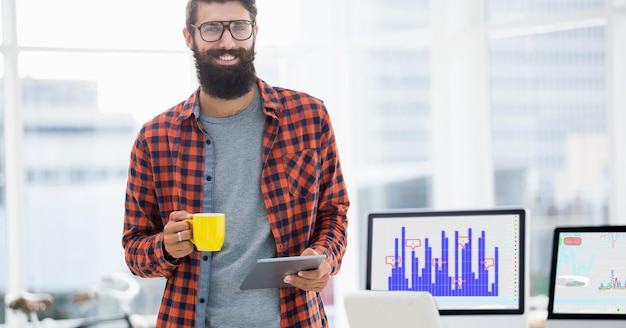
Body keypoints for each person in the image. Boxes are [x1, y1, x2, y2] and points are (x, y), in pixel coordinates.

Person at [121, 0, 350, 327]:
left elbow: (334, 211)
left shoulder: (309, 117)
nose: (227, 42)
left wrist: (325, 257)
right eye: (212, 28)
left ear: (254, 32)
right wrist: (165, 246)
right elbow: (134, 251)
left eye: (238, 27)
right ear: (189, 37)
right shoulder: (155, 138)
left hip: (296, 319)